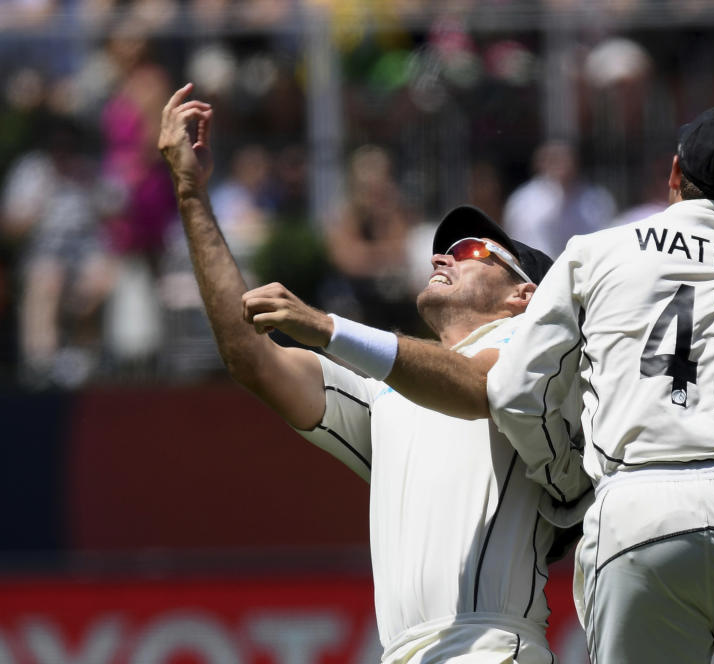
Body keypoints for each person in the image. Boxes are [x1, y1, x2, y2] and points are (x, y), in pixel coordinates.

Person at [158, 83, 589, 664]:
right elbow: (250, 357)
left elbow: (479, 388)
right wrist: (191, 194)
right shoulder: (387, 393)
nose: (442, 256)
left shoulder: (534, 349)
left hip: (491, 648)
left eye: (470, 250)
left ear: (523, 294)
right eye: (443, 249)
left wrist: (329, 328)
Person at [486, 104, 714, 663]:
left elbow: (512, 390)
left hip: (637, 507)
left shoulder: (594, 252)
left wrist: (563, 477)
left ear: (675, 172)